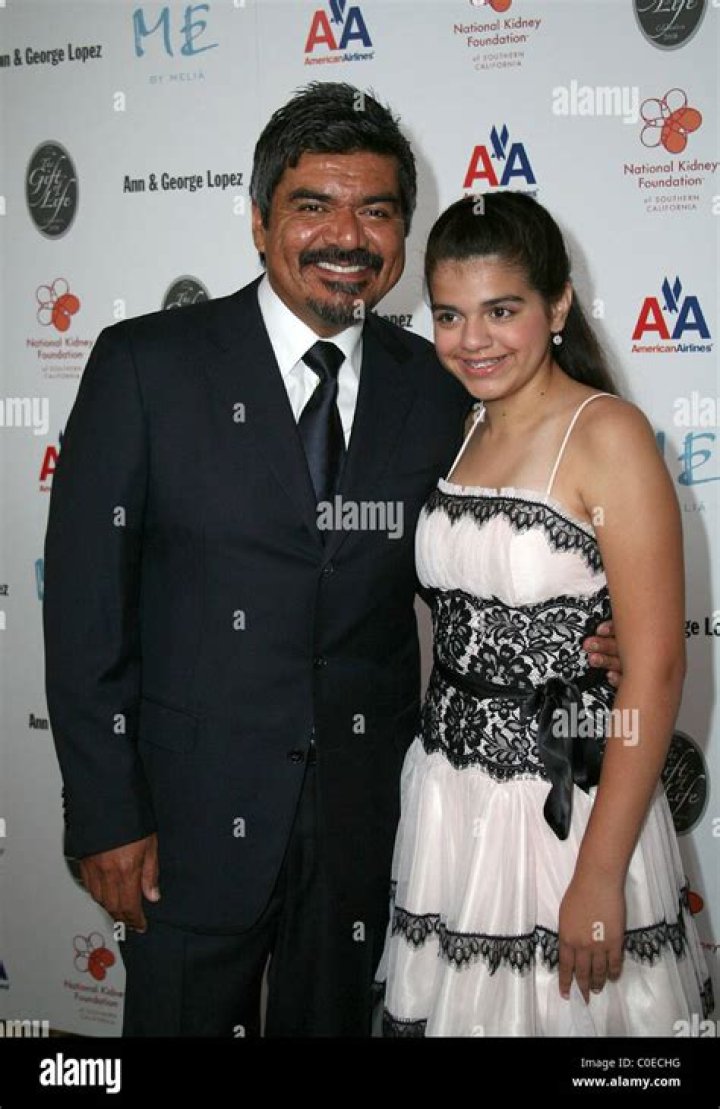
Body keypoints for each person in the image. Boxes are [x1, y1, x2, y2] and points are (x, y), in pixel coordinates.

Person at [43, 85, 620, 1038]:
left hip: (373, 816)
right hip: (185, 821)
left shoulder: (440, 384)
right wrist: (105, 811)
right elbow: (83, 610)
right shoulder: (146, 366)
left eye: (376, 211)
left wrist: (587, 633)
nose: (346, 236)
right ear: (259, 219)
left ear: (403, 234)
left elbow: (485, 552)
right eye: (313, 205)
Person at [379, 192, 712, 1037]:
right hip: (451, 796)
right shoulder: (461, 425)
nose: (472, 339)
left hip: (564, 809)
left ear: (558, 305)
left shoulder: (609, 435)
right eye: (449, 314)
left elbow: (655, 667)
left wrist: (599, 873)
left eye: (502, 310)